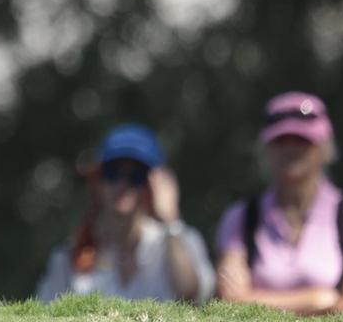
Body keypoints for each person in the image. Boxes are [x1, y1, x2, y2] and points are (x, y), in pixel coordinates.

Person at [215, 92, 343, 314]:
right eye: (281, 141)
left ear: (324, 148)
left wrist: (252, 301)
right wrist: (317, 301)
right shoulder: (241, 216)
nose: (291, 149)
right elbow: (229, 301)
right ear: (266, 149)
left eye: (303, 140)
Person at [36, 124, 215, 304]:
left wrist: (171, 220)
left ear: (155, 185)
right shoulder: (70, 256)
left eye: (136, 176)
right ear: (97, 180)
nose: (122, 185)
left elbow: (189, 295)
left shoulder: (180, 239)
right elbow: (44, 316)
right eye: (113, 173)